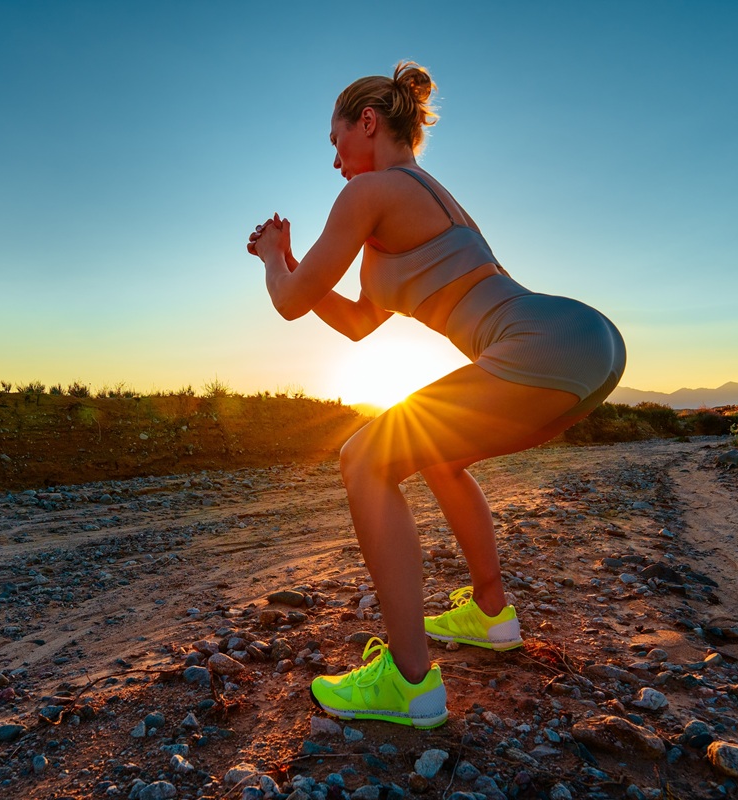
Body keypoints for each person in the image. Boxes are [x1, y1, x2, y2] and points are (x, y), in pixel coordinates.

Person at [247, 61, 625, 728]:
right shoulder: (415, 195)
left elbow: (288, 304)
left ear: (367, 123)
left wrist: (274, 255)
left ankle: (410, 681)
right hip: (584, 341)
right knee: (439, 455)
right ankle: (489, 611)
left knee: (364, 458)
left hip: (542, 344)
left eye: (335, 141)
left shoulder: (373, 194)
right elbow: (361, 323)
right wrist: (299, 261)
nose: (334, 160)